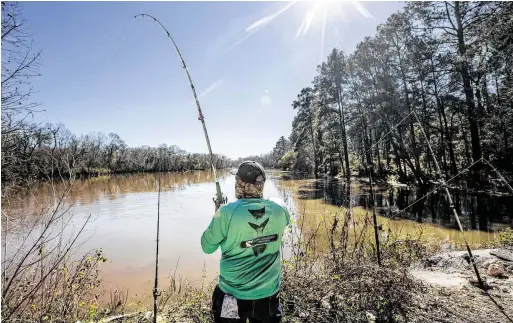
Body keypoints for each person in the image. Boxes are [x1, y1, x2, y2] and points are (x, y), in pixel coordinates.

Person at [201, 161, 291, 323]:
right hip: (268, 296)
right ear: (262, 184)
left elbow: (207, 247)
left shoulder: (225, 212)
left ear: (239, 184)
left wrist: (218, 214)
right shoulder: (280, 208)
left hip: (232, 297)